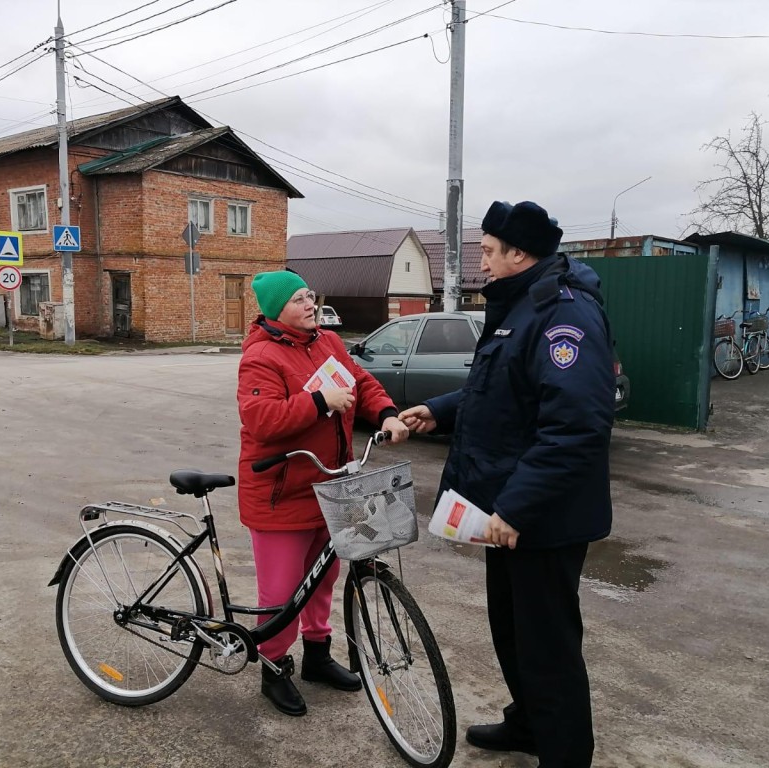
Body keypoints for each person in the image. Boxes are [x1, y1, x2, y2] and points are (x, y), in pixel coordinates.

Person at [400, 201, 614, 767]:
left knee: (548, 647)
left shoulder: (564, 315)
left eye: (490, 252)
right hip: (510, 514)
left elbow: (575, 427)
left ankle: (564, 754)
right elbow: (500, 391)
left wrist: (516, 508)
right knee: (514, 634)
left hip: (542, 518)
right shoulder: (521, 306)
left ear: (520, 253)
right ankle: (529, 725)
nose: (483, 263)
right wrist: (438, 410)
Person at [237, 270, 410, 717]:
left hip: (332, 485)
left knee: (323, 580)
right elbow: (261, 419)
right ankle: (274, 668)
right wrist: (318, 402)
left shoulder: (327, 343)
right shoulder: (261, 356)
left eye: (309, 295)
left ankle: (317, 655)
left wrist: (387, 414)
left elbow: (361, 382)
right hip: (281, 492)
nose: (310, 304)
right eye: (298, 299)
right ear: (277, 310)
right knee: (282, 592)